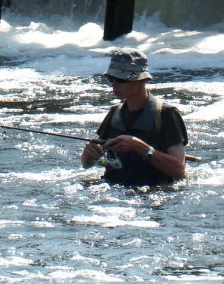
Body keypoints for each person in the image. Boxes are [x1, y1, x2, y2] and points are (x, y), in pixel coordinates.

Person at [80, 48, 188, 186]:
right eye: (111, 78)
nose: (114, 84)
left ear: (143, 80)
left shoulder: (166, 114)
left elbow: (178, 170)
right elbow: (86, 164)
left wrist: (137, 145)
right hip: (114, 195)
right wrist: (89, 154)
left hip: (152, 196)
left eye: (121, 79)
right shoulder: (114, 113)